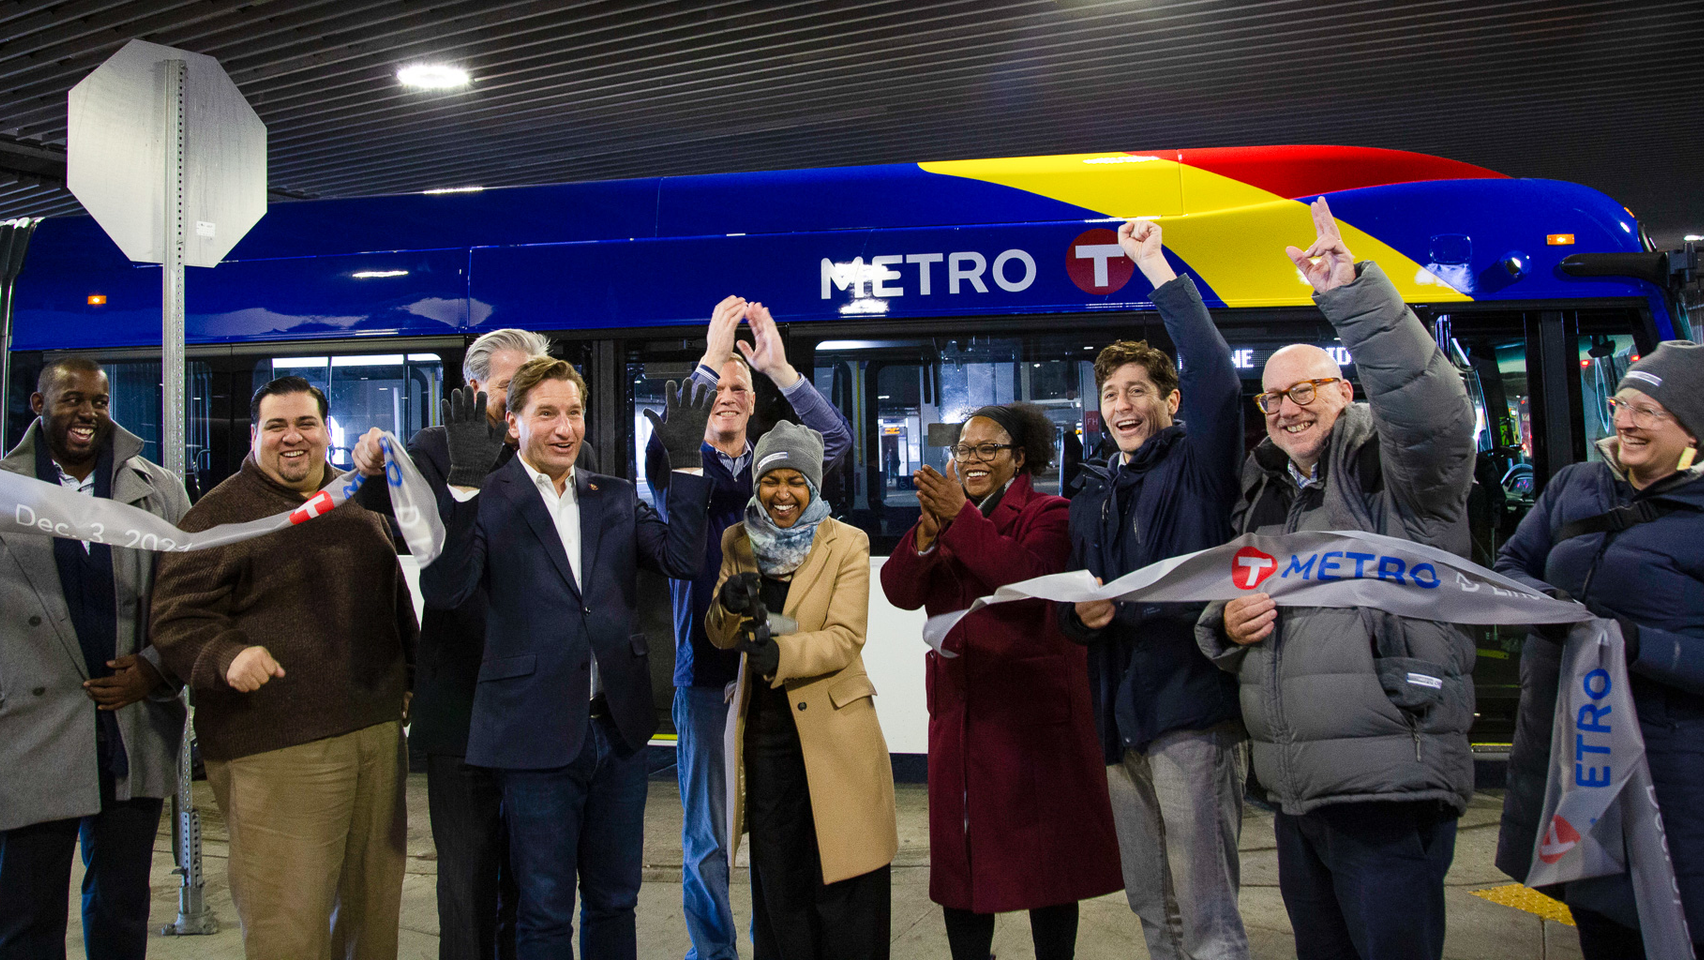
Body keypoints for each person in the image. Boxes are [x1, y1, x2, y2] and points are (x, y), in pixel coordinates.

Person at [1194, 198, 1478, 960]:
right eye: (1273, 398)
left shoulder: (1397, 475)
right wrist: (1224, 624)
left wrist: (1350, 295)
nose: (1285, 410)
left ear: (1346, 392)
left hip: (1389, 779)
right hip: (1297, 787)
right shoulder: (1266, 493)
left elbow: (1434, 416)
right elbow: (1233, 597)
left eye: (1305, 392)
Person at [422, 356, 712, 960]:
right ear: (512, 425)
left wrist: (685, 460)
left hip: (619, 731)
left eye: (573, 413)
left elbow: (683, 558)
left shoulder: (613, 495)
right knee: (544, 909)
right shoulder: (489, 497)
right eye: (546, 413)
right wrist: (463, 488)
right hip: (532, 735)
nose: (564, 428)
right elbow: (446, 589)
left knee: (615, 901)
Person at [151, 376, 416, 960]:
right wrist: (226, 655)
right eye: (277, 426)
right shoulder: (219, 516)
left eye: (305, 425)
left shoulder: (354, 506)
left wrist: (413, 679)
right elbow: (173, 618)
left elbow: (393, 599)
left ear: (327, 433)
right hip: (275, 750)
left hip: (373, 738)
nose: (292, 438)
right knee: (288, 928)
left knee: (373, 921)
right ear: (255, 436)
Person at [1056, 219, 1249, 960]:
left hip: (1190, 710)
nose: (1123, 403)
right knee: (1150, 904)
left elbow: (1214, 373)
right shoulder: (1096, 488)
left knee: (1207, 912)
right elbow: (1083, 602)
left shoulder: (1201, 463)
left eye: (1139, 389)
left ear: (1171, 400)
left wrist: (1154, 267)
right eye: (1111, 393)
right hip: (1119, 715)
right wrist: (1083, 619)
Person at [642, 297, 851, 960]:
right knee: (709, 838)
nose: (728, 397)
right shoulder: (677, 470)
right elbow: (662, 445)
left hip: (775, 675)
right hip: (704, 681)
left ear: (756, 404)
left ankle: (773, 947)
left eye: (740, 388)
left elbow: (837, 444)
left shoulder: (777, 473)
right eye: (717, 389)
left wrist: (783, 371)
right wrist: (710, 358)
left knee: (773, 827)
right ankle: (713, 953)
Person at [880, 402, 1121, 960]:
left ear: (1019, 459)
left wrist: (959, 519)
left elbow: (1026, 580)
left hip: (1029, 721)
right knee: (962, 867)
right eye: (964, 450)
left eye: (988, 449)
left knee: (1048, 869)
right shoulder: (945, 516)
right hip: (960, 714)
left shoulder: (1050, 513)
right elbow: (899, 590)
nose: (972, 459)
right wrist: (926, 534)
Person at [1494, 342, 1704, 957]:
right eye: (1622, 404)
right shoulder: (1577, 486)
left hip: (1671, 769)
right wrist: (1553, 611)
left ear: (1693, 424)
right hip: (1572, 750)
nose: (1627, 421)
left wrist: (1636, 645)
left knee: (1673, 924)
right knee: (1600, 915)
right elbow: (1512, 566)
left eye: (1649, 410)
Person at [0, 358, 190, 960]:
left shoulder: (157, 490)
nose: (88, 414)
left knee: (121, 907)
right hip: (29, 734)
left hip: (130, 726)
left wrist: (158, 666)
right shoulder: (5, 489)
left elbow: (193, 598)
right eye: (71, 400)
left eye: (100, 402)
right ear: (38, 405)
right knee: (26, 917)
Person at [372, 328, 545, 960]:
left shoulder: (549, 450)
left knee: (530, 881)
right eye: (509, 388)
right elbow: (441, 572)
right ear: (474, 388)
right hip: (463, 707)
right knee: (468, 882)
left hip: (533, 705)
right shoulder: (430, 453)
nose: (522, 400)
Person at [707, 421, 897, 960]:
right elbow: (720, 633)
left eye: (796, 481)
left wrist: (780, 652)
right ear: (757, 484)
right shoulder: (737, 540)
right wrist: (729, 607)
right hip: (766, 736)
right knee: (780, 880)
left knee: (844, 875)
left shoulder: (847, 543)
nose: (782, 493)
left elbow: (845, 636)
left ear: (814, 486)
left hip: (836, 733)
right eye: (771, 480)